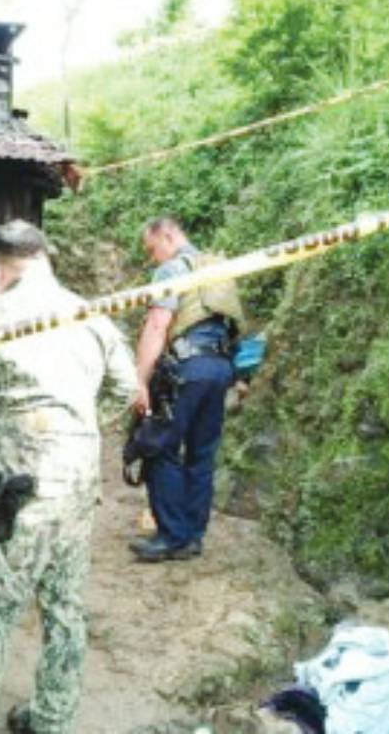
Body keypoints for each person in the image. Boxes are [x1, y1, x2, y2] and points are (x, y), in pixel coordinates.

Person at [0, 220, 139, 734]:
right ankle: (52, 719)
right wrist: (76, 434)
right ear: (45, 257)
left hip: (16, 491)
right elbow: (123, 389)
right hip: (76, 488)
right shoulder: (91, 315)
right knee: (65, 608)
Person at [130, 217, 246, 562]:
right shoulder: (217, 269)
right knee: (201, 454)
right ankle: (193, 536)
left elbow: (157, 325)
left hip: (187, 370)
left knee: (158, 447)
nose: (154, 259)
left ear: (167, 235)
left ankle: (171, 536)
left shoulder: (171, 271)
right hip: (220, 368)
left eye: (153, 249)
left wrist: (139, 380)